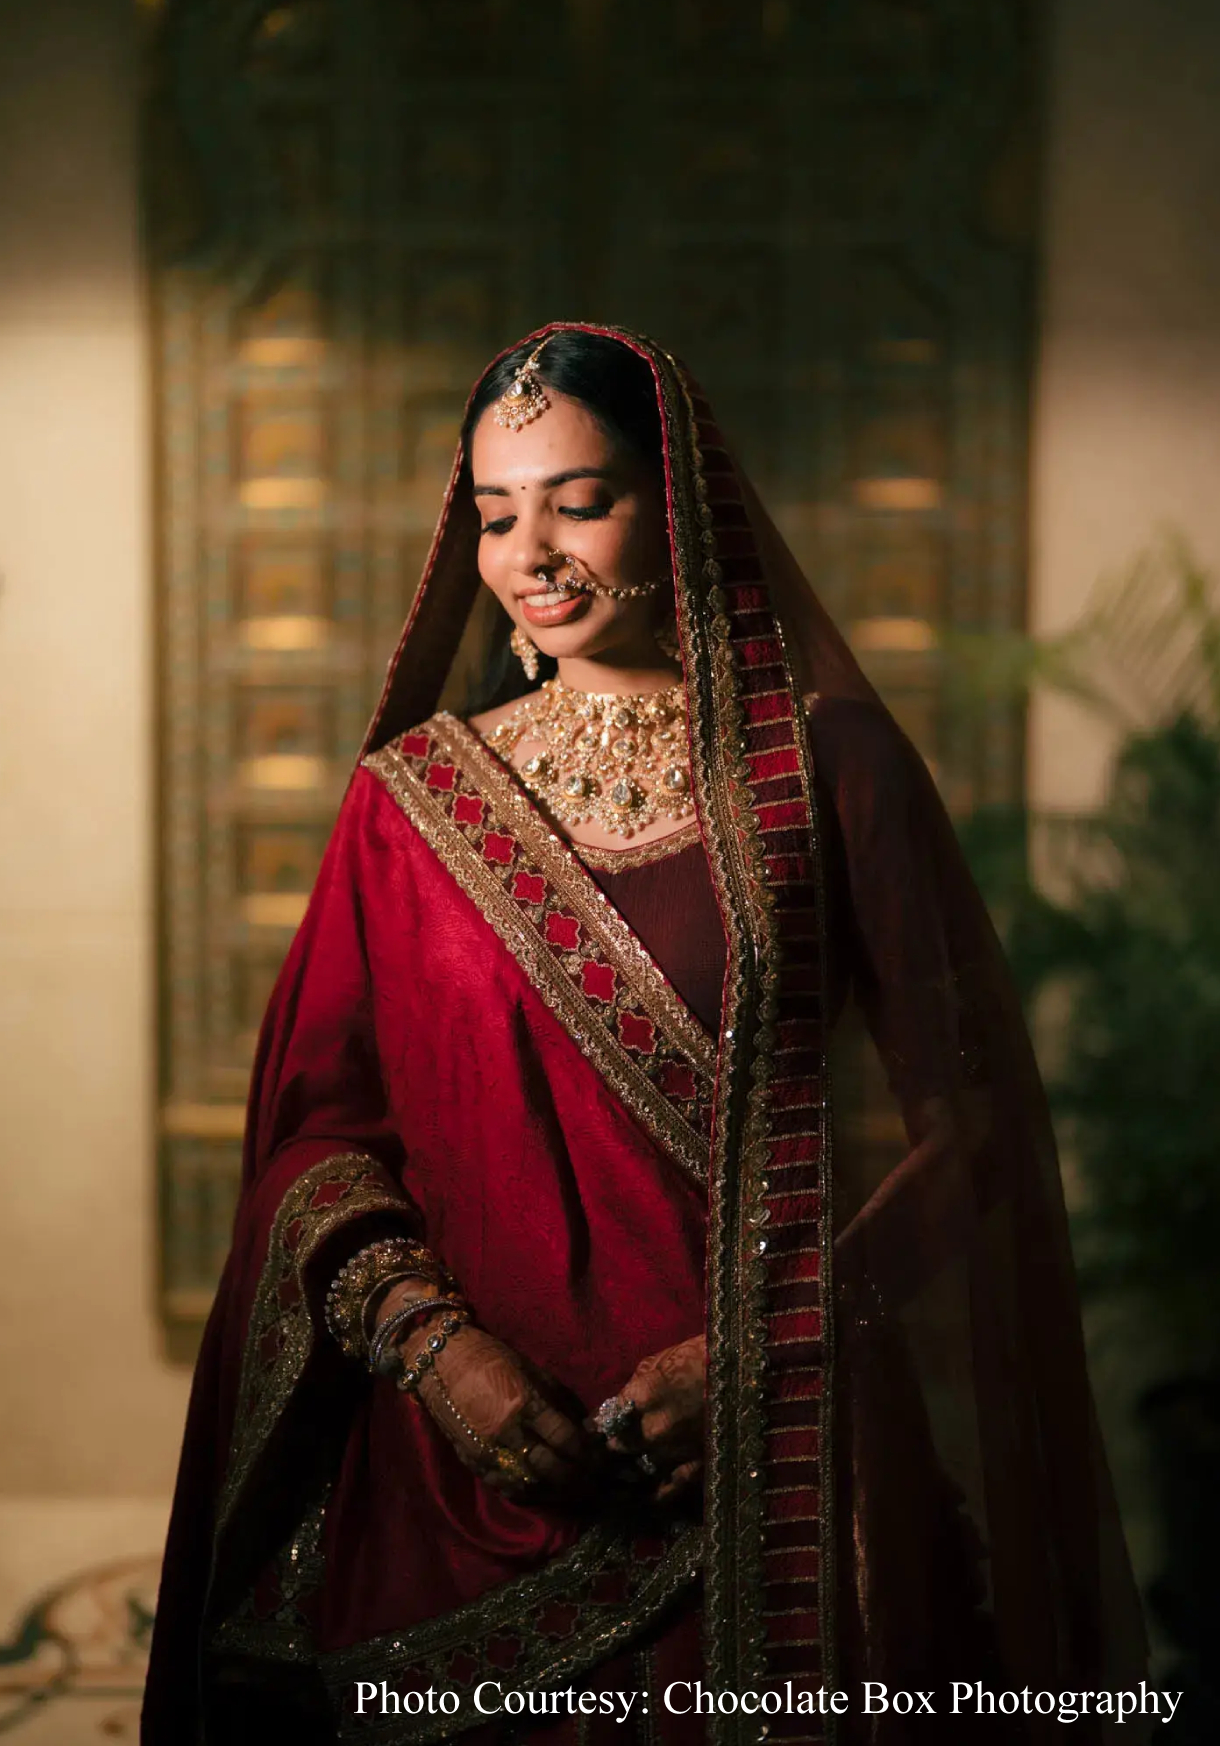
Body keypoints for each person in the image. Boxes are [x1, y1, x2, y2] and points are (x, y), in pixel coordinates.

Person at [143, 325, 1145, 1746]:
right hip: (463, 1484)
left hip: (782, 1487)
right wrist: (441, 1353)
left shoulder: (830, 768)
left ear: (676, 500)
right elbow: (318, 1137)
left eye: (580, 499)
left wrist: (768, 1351)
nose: (532, 552)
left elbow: (977, 1124)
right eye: (495, 515)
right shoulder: (411, 801)